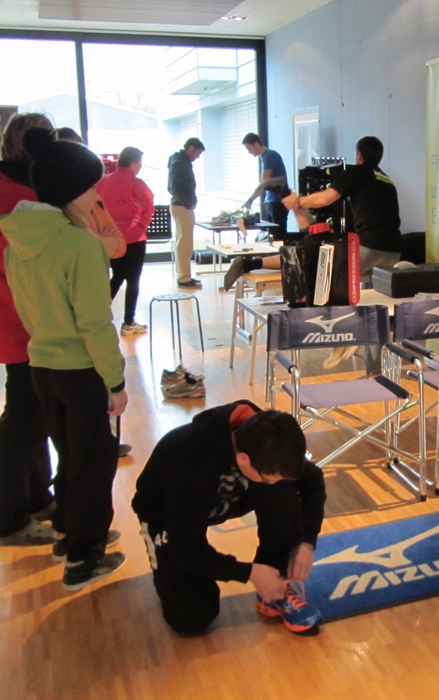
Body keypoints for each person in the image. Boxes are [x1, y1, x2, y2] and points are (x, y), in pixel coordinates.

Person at [0, 126, 128, 591]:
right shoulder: (80, 245)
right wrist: (116, 382)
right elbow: (95, 324)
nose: (97, 195)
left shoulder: (19, 242)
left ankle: (68, 532)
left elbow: (26, 309)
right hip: (81, 372)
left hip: (41, 367)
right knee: (94, 463)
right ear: (73, 190)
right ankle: (84, 558)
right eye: (92, 186)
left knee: (71, 454)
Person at [132, 402, 325, 635]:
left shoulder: (271, 440)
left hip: (227, 495)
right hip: (168, 514)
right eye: (267, 478)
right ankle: (171, 574)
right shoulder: (187, 460)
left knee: (282, 488)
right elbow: (187, 547)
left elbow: (312, 480)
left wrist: (306, 541)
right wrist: (250, 573)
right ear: (243, 458)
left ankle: (277, 585)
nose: (271, 482)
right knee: (191, 617)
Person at [0, 112, 58, 545]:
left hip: (21, 323)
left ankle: (36, 497)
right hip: (24, 326)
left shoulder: (4, 189)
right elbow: (49, 255)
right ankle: (10, 518)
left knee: (33, 418)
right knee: (22, 423)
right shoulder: (15, 196)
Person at [282, 135, 401, 371]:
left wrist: (298, 201)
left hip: (368, 246)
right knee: (375, 309)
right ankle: (373, 371)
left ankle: (343, 341)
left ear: (359, 155)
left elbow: (325, 198)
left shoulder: (357, 171)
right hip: (393, 250)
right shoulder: (386, 179)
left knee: (331, 287)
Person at [97, 147, 155, 335]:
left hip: (111, 237)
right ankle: (128, 322)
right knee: (133, 280)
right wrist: (141, 224)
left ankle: (98, 316)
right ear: (132, 163)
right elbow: (149, 204)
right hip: (134, 236)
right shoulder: (137, 184)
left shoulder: (104, 182)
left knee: (117, 275)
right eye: (139, 162)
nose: (141, 166)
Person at [55, 128, 126, 260]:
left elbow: (120, 246)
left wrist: (93, 240)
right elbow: (72, 245)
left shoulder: (96, 200)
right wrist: (101, 240)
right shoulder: (53, 205)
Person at [167, 137, 206, 289]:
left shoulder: (178, 160)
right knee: (185, 244)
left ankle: (183, 274)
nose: (197, 157)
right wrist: (188, 202)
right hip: (182, 206)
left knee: (182, 242)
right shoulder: (180, 162)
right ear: (191, 148)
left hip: (180, 205)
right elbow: (174, 187)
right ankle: (184, 277)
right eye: (198, 153)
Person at [241, 133, 289, 234]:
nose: (249, 152)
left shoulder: (270, 155)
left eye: (249, 148)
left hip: (278, 202)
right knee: (271, 235)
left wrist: (250, 200)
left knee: (278, 235)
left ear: (256, 144)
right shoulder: (264, 157)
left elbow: (264, 183)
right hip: (271, 201)